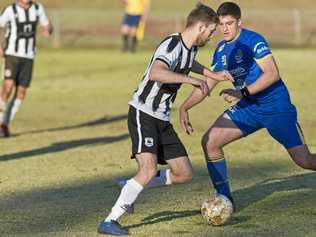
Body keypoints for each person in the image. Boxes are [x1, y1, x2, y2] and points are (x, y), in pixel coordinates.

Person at [97, 3, 233, 236]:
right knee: (148, 170)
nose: (212, 36)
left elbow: (190, 63)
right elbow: (156, 72)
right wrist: (189, 80)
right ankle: (109, 221)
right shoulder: (171, 44)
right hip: (143, 114)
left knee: (184, 173)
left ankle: (130, 186)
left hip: (162, 118)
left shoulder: (190, 49)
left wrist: (212, 75)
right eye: (211, 31)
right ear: (200, 27)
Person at [179, 1, 316, 207]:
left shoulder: (253, 40)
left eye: (230, 23)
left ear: (239, 22)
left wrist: (241, 92)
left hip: (276, 107)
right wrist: (185, 107)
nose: (224, 28)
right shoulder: (221, 50)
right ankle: (224, 199)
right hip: (249, 108)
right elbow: (209, 81)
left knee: (304, 161)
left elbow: (272, 74)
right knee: (210, 142)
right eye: (221, 24)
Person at [0, 0, 53, 137]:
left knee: (22, 92)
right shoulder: (10, 10)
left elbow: (48, 25)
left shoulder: (37, 8)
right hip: (12, 54)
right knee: (8, 87)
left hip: (28, 56)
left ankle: (5, 124)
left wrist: (48, 30)